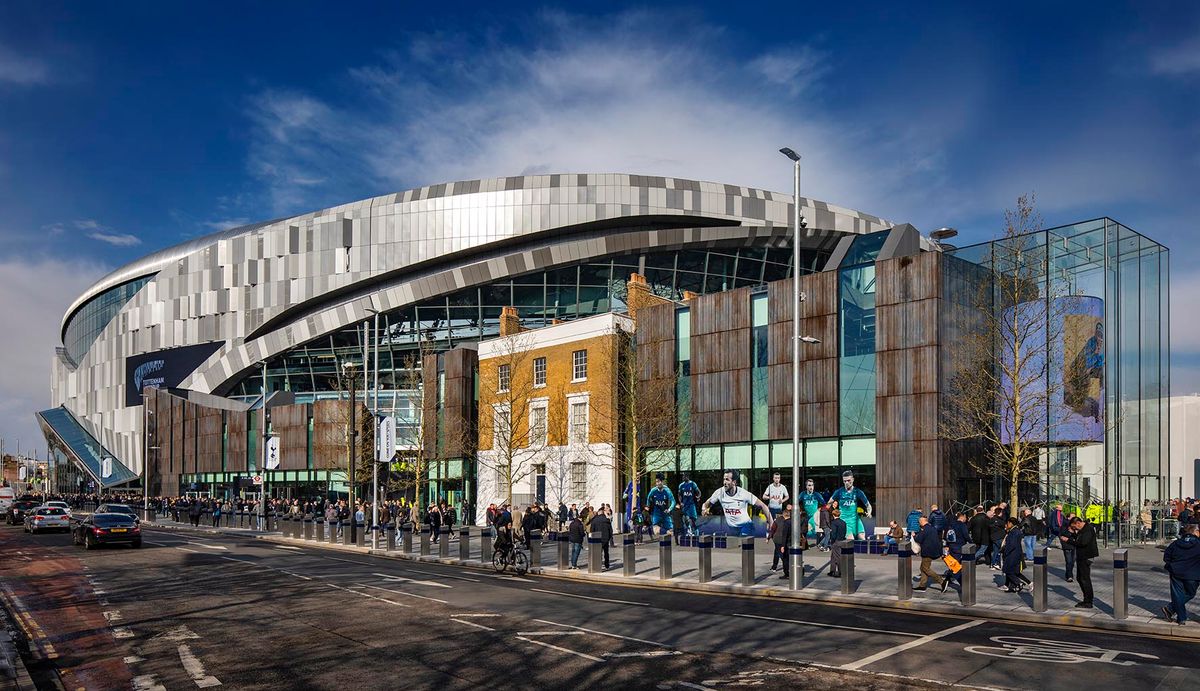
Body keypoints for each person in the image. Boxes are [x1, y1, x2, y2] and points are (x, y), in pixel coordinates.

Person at [703, 470, 774, 537]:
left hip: (746, 526)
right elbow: (707, 504)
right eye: (724, 479)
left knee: (744, 545)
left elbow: (763, 506)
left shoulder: (744, 494)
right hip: (732, 528)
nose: (724, 482)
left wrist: (771, 524)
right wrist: (704, 509)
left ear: (734, 482)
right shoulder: (719, 493)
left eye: (727, 480)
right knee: (735, 547)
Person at [1163, 522, 1200, 624]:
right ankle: (1171, 610)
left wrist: (1172, 566)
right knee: (1190, 594)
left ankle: (1180, 617)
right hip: (1194, 575)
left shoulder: (1175, 543)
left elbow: (1166, 557)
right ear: (1195, 532)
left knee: (1177, 595)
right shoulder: (1198, 543)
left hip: (1176, 573)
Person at [1062, 516, 1098, 608]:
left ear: (1078, 523)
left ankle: (1088, 601)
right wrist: (1073, 535)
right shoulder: (1083, 530)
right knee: (1080, 577)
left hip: (1086, 556)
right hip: (1082, 556)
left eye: (1074, 527)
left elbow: (1082, 543)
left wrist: (1068, 540)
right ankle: (1086, 599)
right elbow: (1079, 539)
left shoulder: (1088, 529)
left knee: (1084, 578)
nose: (1075, 529)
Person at [829, 471, 871, 540]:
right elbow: (829, 503)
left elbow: (868, 506)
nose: (846, 483)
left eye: (848, 480)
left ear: (853, 479)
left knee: (862, 539)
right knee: (850, 540)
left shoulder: (858, 492)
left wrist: (869, 512)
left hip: (856, 521)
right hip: (844, 521)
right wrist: (834, 513)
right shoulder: (839, 492)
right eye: (844, 481)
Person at [914, 515, 948, 592]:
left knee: (925, 568)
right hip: (933, 550)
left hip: (927, 551)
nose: (919, 524)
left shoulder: (924, 529)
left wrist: (914, 536)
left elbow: (919, 539)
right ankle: (922, 585)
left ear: (922, 521)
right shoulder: (933, 528)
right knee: (922, 568)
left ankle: (942, 581)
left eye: (919, 522)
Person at [1000, 517, 1029, 593]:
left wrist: (1005, 551)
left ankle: (1019, 583)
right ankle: (1012, 587)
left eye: (1008, 523)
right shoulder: (1015, 531)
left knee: (1008, 570)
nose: (1007, 525)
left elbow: (1011, 544)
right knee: (1012, 571)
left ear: (1011, 523)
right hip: (1015, 553)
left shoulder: (1014, 532)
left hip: (1012, 554)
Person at [770, 507, 793, 579]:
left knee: (783, 557)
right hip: (787, 541)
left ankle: (787, 572)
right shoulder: (792, 521)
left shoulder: (780, 520)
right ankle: (775, 566)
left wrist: (769, 537)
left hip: (779, 540)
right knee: (780, 554)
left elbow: (773, 529)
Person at [827, 508, 847, 577]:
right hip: (841, 540)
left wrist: (832, 539)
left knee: (838, 557)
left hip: (836, 541)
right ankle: (832, 571)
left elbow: (833, 533)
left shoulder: (834, 523)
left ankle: (840, 572)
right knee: (833, 556)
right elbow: (844, 532)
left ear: (833, 515)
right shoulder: (843, 522)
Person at [1060, 512, 1077, 583]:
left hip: (1075, 545)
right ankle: (1069, 576)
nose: (1074, 519)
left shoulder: (1076, 525)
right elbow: (1062, 534)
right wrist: (1071, 533)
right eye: (1072, 517)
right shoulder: (1065, 524)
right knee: (1069, 561)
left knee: (1072, 562)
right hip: (1067, 546)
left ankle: (1068, 574)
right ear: (1068, 518)